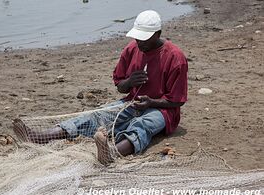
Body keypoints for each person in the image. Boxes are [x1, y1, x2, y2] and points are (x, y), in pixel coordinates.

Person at [13, 10, 188, 165]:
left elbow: (177, 101)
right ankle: (39, 136)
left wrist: (151, 102)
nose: (139, 42)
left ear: (157, 33)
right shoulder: (132, 48)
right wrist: (129, 82)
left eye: (144, 38)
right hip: (131, 102)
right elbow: (120, 86)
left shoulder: (175, 57)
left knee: (142, 125)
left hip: (162, 111)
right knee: (97, 115)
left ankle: (111, 153)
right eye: (137, 37)